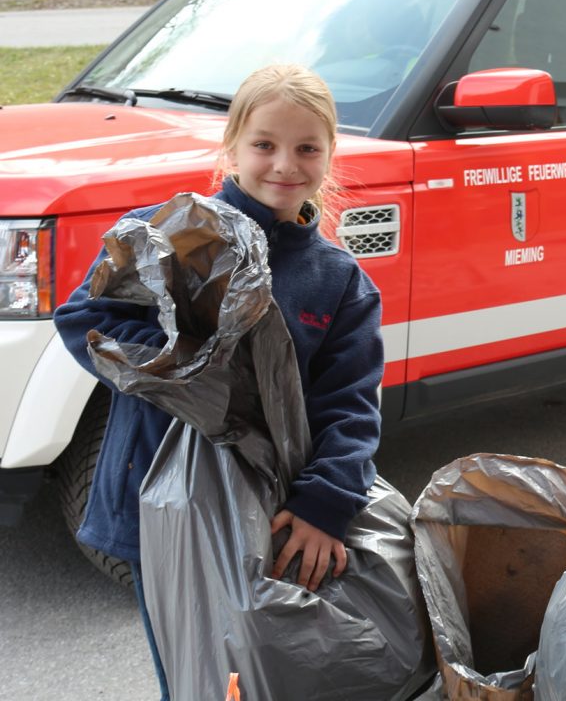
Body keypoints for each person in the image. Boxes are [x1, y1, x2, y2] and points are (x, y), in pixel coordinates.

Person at [53, 64, 384, 700]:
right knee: (191, 675)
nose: (284, 164)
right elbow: (86, 321)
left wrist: (326, 505)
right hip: (156, 501)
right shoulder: (167, 235)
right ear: (230, 148)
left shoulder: (338, 280)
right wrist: (189, 361)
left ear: (329, 156)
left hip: (272, 514)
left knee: (263, 671)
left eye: (307, 148)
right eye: (264, 144)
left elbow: (349, 406)